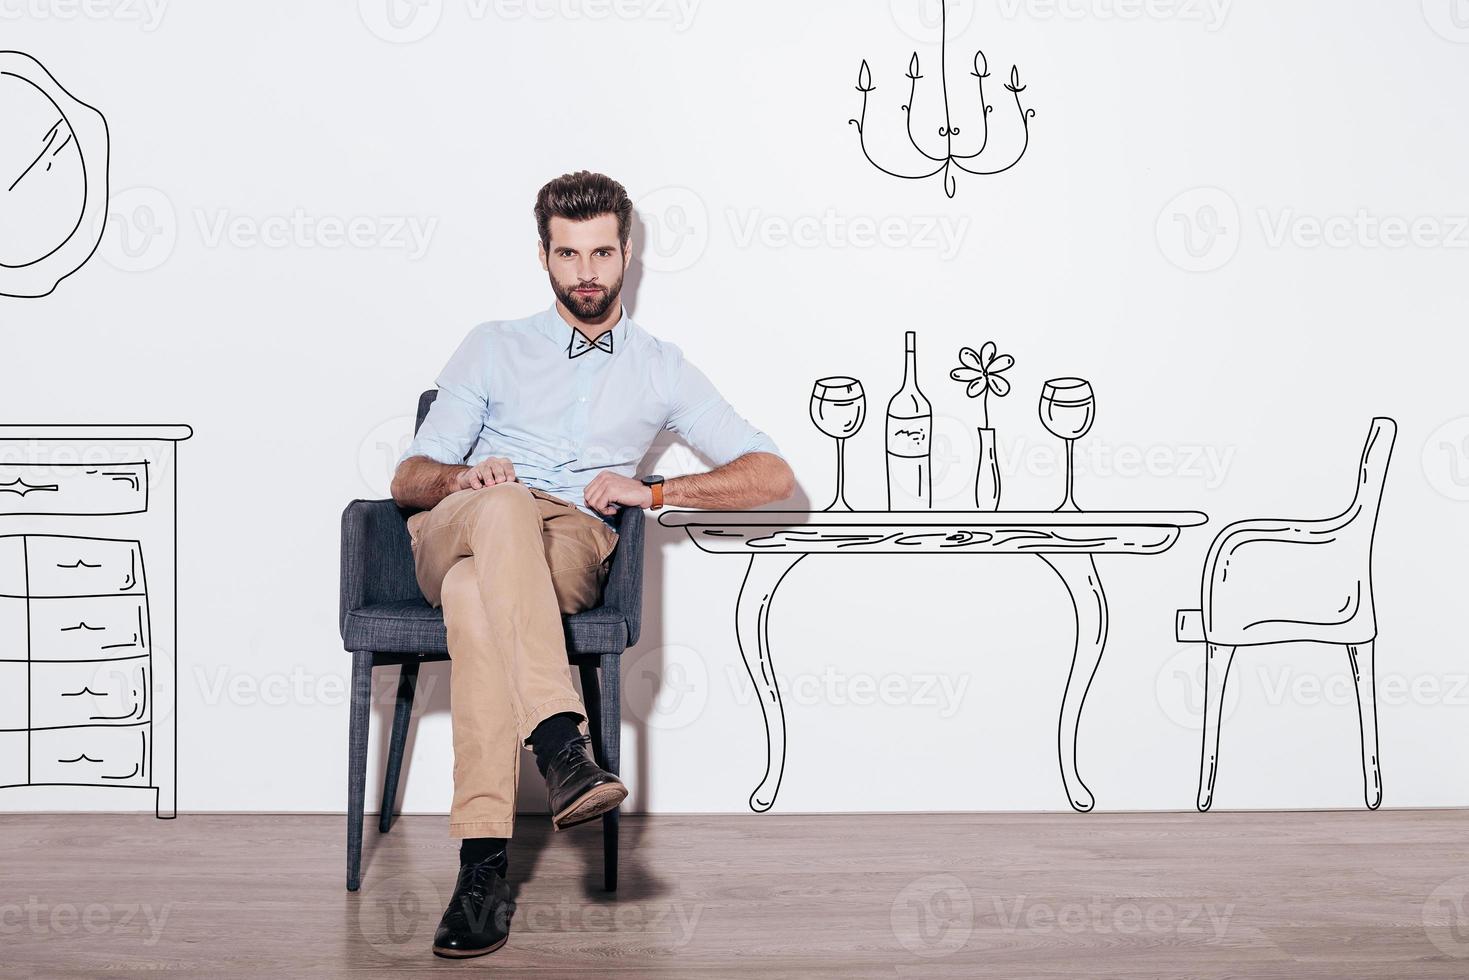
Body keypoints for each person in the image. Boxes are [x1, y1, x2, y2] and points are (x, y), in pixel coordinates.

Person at [390, 170, 796, 958]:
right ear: (543, 257)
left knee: (478, 600)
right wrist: (462, 478)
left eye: (601, 253)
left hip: (568, 542)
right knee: (500, 511)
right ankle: (560, 743)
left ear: (626, 254)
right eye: (568, 254)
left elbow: (771, 474)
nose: (586, 272)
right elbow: (407, 479)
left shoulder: (658, 365)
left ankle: (481, 868)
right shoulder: (491, 345)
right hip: (468, 521)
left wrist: (653, 489)